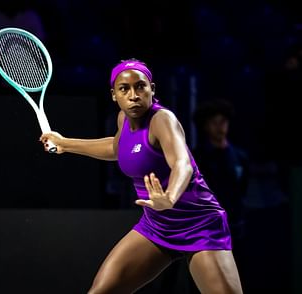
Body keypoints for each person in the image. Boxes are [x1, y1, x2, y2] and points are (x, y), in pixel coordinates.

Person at [40, 59, 243, 294]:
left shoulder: (162, 120)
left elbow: (182, 163)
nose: (133, 95)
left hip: (199, 225)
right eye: (124, 89)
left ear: (152, 89)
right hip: (157, 226)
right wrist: (65, 144)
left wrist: (169, 197)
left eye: (140, 87)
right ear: (114, 95)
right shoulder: (123, 120)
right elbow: (117, 148)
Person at [192, 99, 250, 241]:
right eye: (214, 122)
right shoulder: (196, 157)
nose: (220, 127)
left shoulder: (240, 157)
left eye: (223, 121)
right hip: (206, 226)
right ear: (206, 126)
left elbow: (242, 188)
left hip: (235, 225)